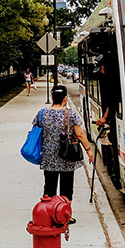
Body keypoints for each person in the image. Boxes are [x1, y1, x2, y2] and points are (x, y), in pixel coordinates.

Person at [32, 85, 95, 224]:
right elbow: (79, 134)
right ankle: (63, 215)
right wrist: (89, 150)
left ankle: (48, 214)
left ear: (52, 97)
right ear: (65, 99)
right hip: (67, 156)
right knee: (67, 187)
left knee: (49, 186)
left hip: (48, 156)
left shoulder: (42, 113)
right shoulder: (71, 114)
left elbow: (36, 130)